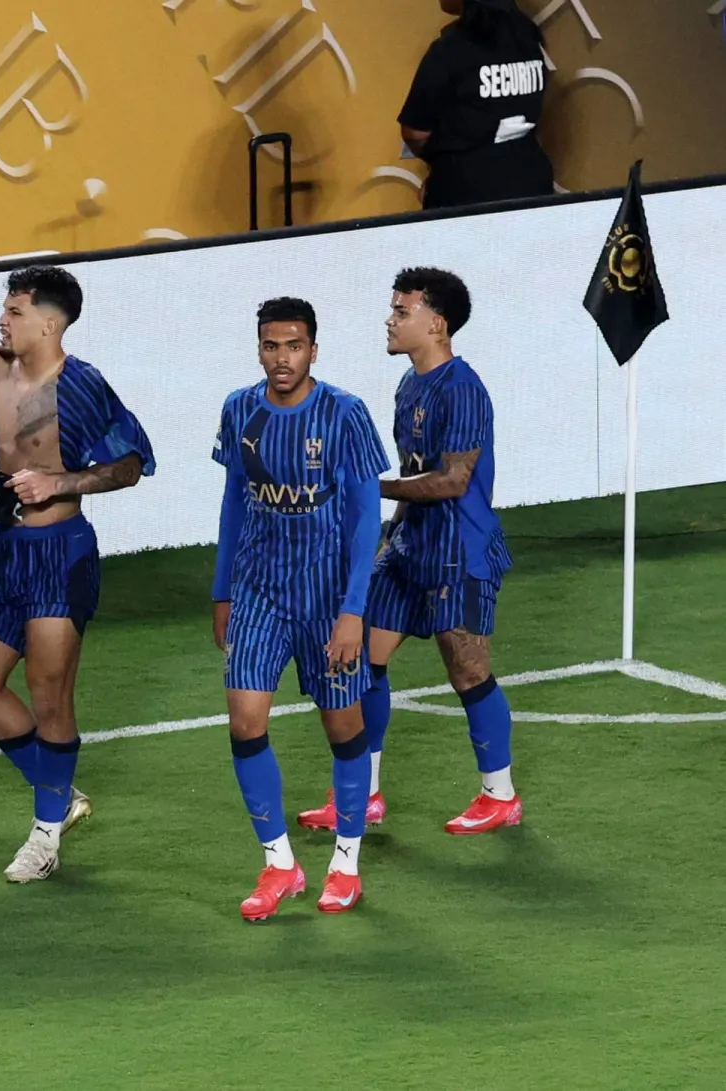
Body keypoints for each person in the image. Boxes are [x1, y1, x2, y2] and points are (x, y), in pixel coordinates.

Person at [299, 267, 520, 837]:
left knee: (468, 671)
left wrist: (367, 489)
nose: (391, 319)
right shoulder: (410, 384)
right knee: (359, 659)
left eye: (402, 311)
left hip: (459, 549)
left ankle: (500, 795)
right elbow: (412, 475)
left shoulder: (463, 388)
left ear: (436, 324)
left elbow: (451, 481)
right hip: (411, 543)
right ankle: (364, 795)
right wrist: (386, 533)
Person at [0, 265, 155, 883]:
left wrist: (62, 480)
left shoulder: (80, 384)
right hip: (3, 550)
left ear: (49, 323)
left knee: (51, 697)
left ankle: (45, 836)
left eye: (15, 311)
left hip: (61, 553)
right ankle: (63, 794)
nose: (2, 319)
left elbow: (132, 462)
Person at [213, 298, 390, 921]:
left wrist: (352, 611)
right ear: (258, 348)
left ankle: (346, 865)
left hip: (327, 599)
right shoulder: (241, 410)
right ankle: (280, 863)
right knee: (244, 721)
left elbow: (369, 518)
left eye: (292, 346)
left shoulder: (344, 413)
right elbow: (235, 505)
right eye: (270, 345)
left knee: (343, 729)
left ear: (314, 349)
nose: (280, 357)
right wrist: (222, 591)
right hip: (260, 591)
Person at [399, 0, 553, 210]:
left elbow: (415, 133)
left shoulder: (449, 49)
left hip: (467, 195)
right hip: (533, 183)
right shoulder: (529, 37)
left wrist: (443, 169)